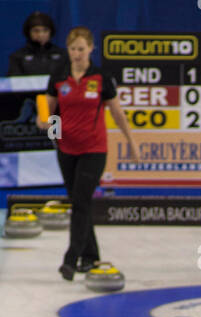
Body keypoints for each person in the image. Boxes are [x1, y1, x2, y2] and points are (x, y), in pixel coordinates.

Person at [38, 26, 137, 279]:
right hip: (66, 149)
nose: (77, 54)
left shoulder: (102, 77)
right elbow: (47, 112)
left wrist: (131, 142)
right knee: (79, 203)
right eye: (72, 49)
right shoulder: (58, 75)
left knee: (81, 202)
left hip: (94, 149)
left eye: (81, 49)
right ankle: (91, 257)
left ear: (91, 49)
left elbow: (117, 113)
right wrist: (47, 125)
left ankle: (71, 259)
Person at [7, 11, 66, 78]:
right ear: (28, 32)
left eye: (45, 30)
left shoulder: (62, 54)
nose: (41, 34)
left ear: (51, 31)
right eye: (36, 31)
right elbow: (15, 81)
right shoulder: (18, 57)